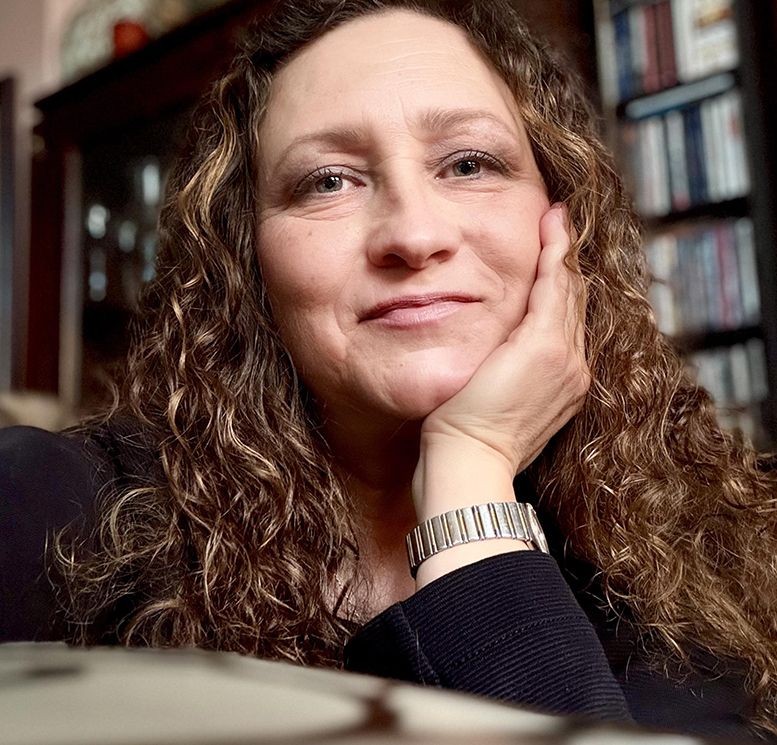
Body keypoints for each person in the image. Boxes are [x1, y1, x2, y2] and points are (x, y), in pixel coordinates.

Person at [2, 0, 777, 740]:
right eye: (327, 180)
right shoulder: (44, 507)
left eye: (468, 163)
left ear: (566, 225)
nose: (412, 233)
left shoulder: (697, 571)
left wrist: (469, 468)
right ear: (245, 258)